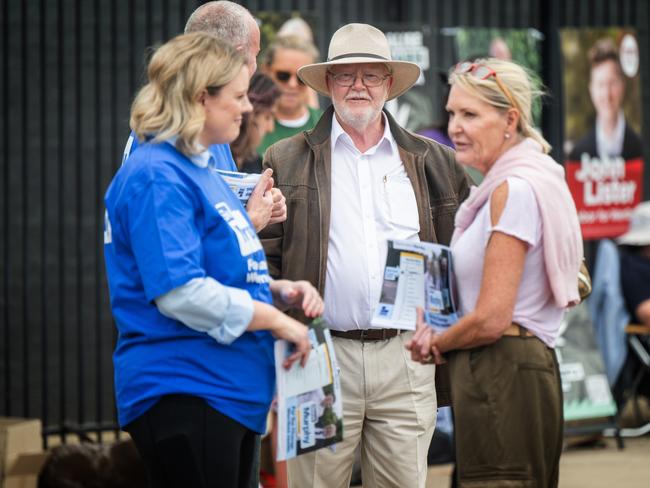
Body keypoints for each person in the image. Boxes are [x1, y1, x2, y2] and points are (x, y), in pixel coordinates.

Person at [103, 32, 324, 488]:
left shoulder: (197, 168)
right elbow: (181, 291)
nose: (247, 108)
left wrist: (279, 291)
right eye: (239, 96)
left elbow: (216, 266)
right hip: (189, 388)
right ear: (202, 97)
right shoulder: (156, 174)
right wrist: (277, 321)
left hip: (226, 392)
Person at [260, 23, 471, 488]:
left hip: (406, 360)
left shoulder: (433, 161)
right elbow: (265, 260)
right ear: (329, 84)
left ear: (389, 85)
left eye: (371, 75)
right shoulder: (285, 157)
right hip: (317, 355)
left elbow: (466, 246)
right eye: (345, 75)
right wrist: (283, 340)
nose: (358, 85)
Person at [408, 58, 583, 487]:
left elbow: (491, 317)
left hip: (503, 371)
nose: (455, 127)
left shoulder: (513, 190)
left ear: (510, 120)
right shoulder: (508, 185)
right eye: (451, 113)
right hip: (502, 372)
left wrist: (436, 343)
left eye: (470, 114)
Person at [121, 0, 287, 232]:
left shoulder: (203, 131)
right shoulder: (162, 155)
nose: (247, 107)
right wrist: (250, 223)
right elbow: (177, 253)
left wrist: (257, 203)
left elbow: (211, 214)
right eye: (239, 97)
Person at [568, 37, 643, 162]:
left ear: (622, 86)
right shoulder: (577, 154)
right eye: (600, 84)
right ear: (591, 90)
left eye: (612, 83)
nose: (606, 94)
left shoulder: (642, 149)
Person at [257, 35, 322, 156]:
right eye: (283, 75)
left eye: (301, 78)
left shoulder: (327, 125)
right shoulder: (246, 125)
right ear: (266, 70)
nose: (292, 84)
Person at [231, 73, 281, 174]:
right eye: (267, 117)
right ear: (250, 113)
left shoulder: (255, 163)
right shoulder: (218, 155)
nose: (271, 128)